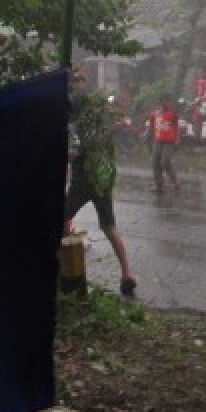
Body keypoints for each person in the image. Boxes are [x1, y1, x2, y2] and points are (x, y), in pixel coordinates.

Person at [65, 69, 137, 297]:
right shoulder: (98, 121)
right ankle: (127, 274)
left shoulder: (79, 125)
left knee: (61, 217)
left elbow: (74, 153)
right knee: (109, 226)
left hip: (84, 181)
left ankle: (64, 272)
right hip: (101, 180)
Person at [148, 94, 180, 194]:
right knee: (155, 162)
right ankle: (158, 185)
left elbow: (176, 127)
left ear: (169, 102)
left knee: (165, 161)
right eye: (162, 101)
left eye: (166, 101)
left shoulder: (173, 114)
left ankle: (175, 181)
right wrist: (149, 136)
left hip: (169, 141)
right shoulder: (155, 113)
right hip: (158, 140)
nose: (164, 103)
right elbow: (151, 126)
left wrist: (177, 139)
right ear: (160, 102)